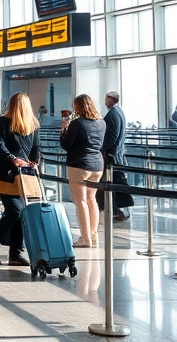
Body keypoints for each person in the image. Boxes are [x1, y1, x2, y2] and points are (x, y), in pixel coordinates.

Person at [0, 92, 39, 267]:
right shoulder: (3, 122)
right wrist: (14, 159)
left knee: (19, 214)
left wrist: (33, 162)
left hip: (22, 175)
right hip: (6, 174)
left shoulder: (33, 125)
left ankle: (14, 253)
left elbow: (35, 149)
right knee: (15, 212)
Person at [61, 94, 106, 248]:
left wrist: (63, 130)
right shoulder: (101, 122)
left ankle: (84, 238)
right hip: (97, 164)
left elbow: (66, 144)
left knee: (80, 201)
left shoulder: (77, 123)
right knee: (91, 199)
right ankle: (93, 235)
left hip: (79, 164)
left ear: (78, 106)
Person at [101, 91, 130, 222]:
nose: (105, 102)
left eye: (106, 99)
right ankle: (118, 209)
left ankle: (120, 209)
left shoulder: (113, 114)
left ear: (111, 100)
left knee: (115, 181)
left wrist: (102, 148)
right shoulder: (119, 112)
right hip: (116, 152)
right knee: (117, 181)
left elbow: (112, 136)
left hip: (112, 154)